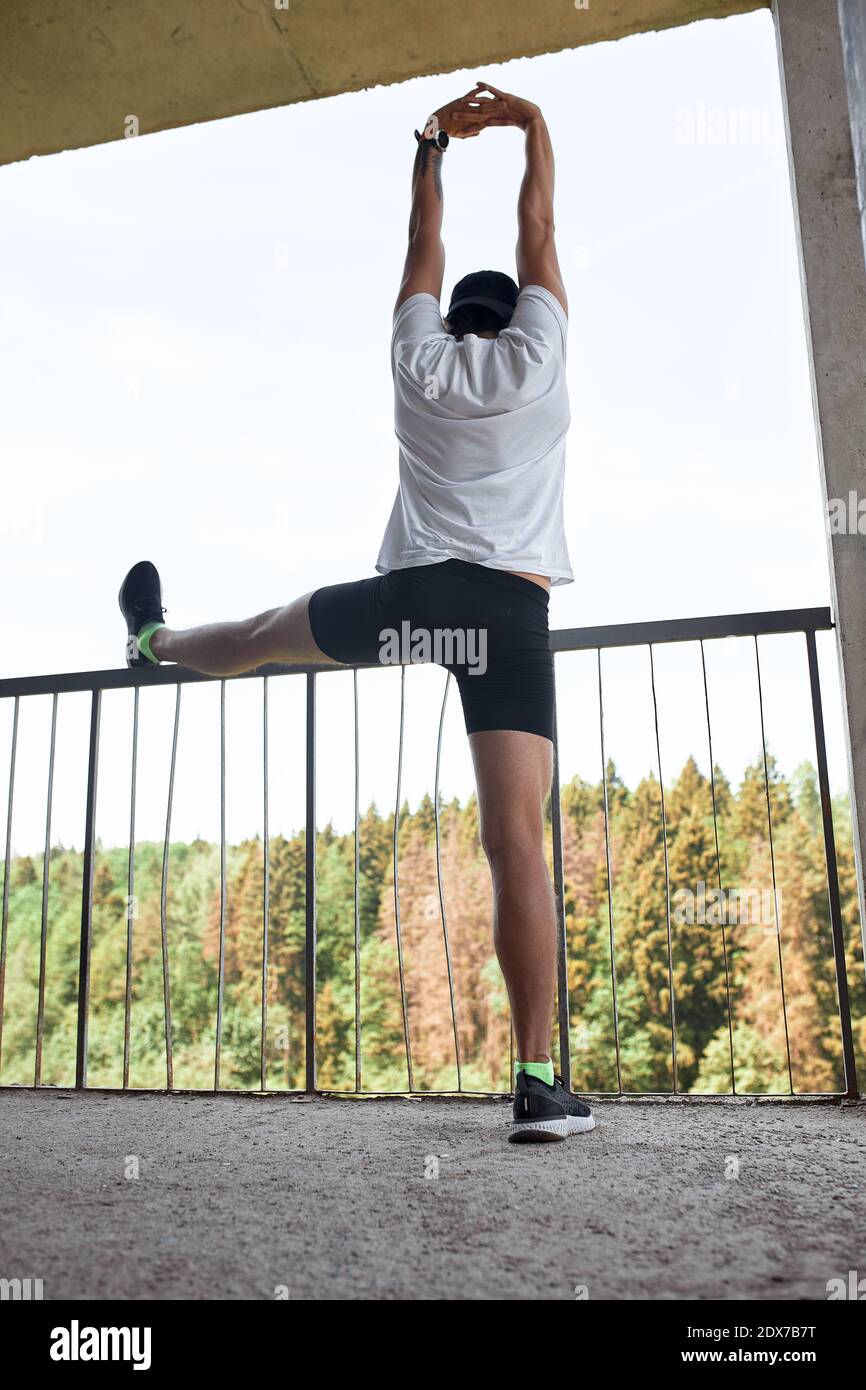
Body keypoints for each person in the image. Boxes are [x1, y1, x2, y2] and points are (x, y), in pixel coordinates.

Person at [119, 82, 594, 1143]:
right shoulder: (542, 359)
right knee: (515, 842)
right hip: (508, 616)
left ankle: (150, 643)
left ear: (446, 319)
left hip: (415, 600)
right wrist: (531, 123)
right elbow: (538, 227)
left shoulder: (414, 365)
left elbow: (423, 239)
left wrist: (431, 145)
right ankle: (534, 1082)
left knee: (252, 637)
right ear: (514, 315)